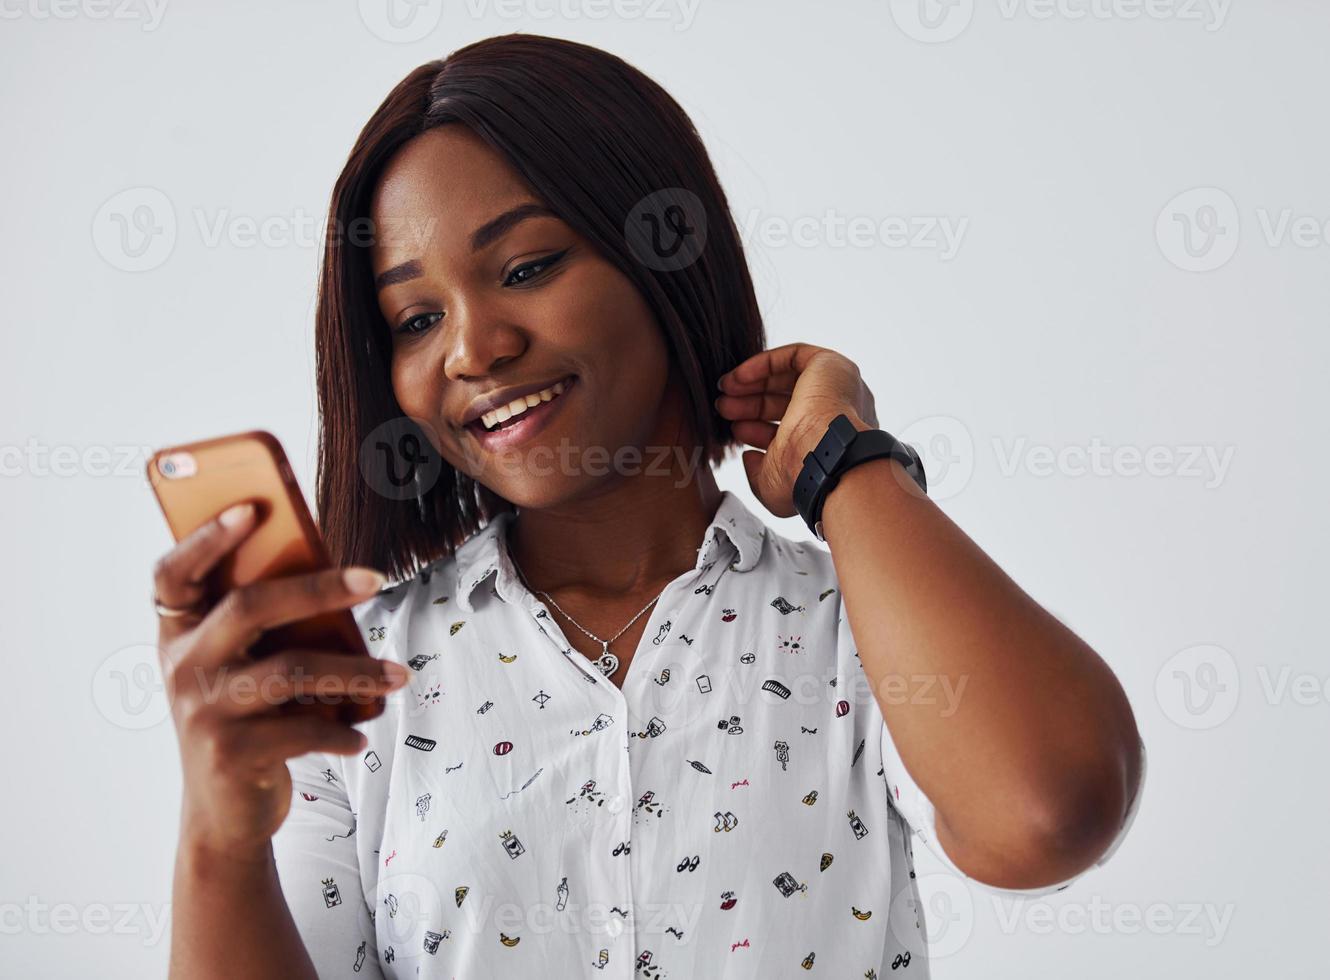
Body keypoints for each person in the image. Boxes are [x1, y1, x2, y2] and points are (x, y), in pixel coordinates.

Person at [151, 34, 1145, 979]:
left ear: (665, 253)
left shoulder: (861, 626)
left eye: (526, 267)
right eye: (417, 318)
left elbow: (1048, 812)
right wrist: (217, 837)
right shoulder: (356, 685)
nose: (473, 348)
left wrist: (847, 464)